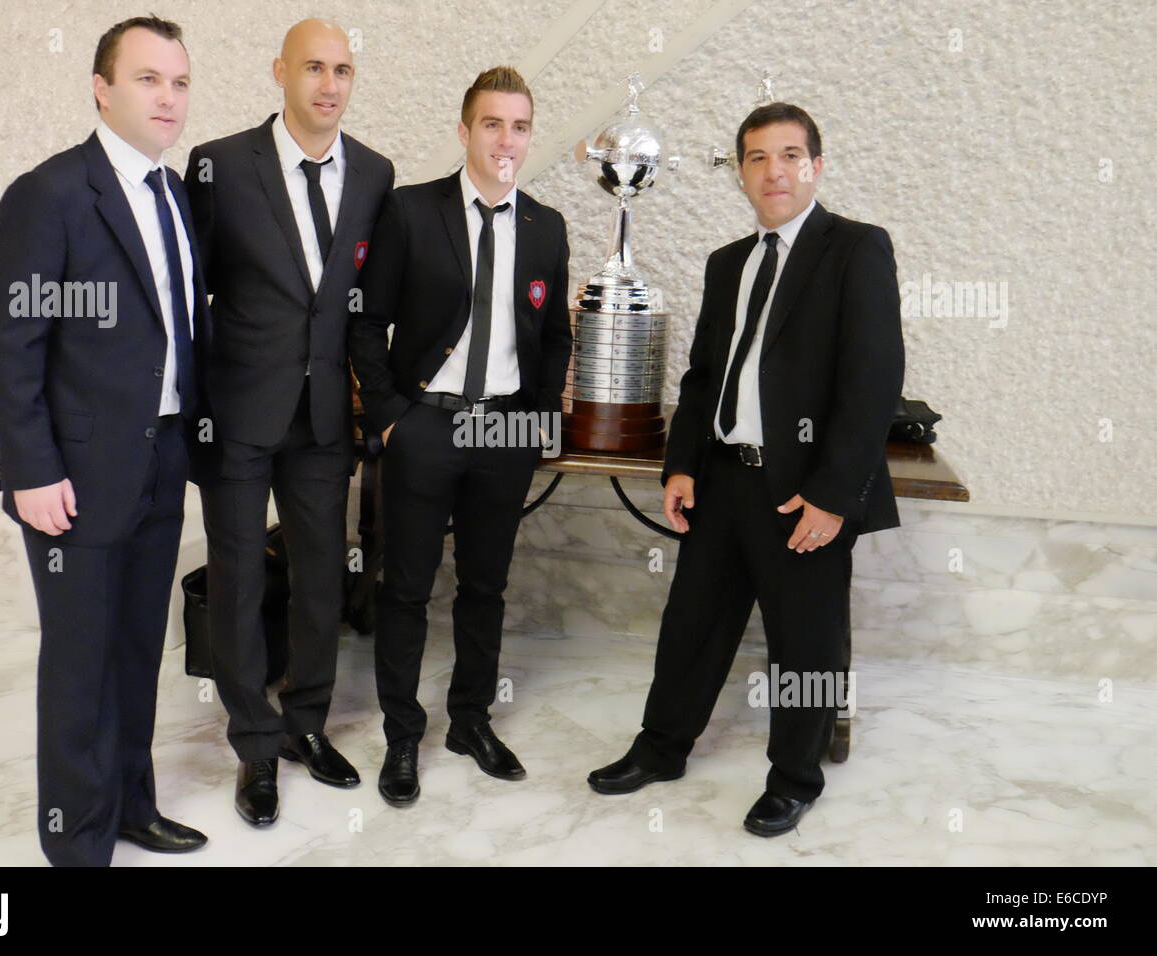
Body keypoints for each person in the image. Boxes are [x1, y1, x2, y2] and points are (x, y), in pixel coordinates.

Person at [587, 102, 905, 837]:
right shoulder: (728, 263)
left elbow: (873, 382)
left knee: (807, 641)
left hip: (804, 493)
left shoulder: (856, 250)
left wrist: (832, 496)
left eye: (790, 154)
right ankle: (661, 748)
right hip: (725, 478)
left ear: (816, 166)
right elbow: (703, 377)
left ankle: (795, 777)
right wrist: (681, 465)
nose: (774, 170)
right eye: (757, 157)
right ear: (740, 173)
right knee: (691, 624)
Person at [0, 15, 210, 865]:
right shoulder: (52, 193)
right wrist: (30, 468)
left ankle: (130, 806)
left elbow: (178, 331)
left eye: (180, 82)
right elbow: (11, 343)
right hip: (72, 478)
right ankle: (75, 840)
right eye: (149, 78)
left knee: (138, 649)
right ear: (101, 87)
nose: (168, 97)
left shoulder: (172, 191)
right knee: (80, 663)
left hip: (159, 462)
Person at [184, 19, 394, 827]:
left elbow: (366, 305)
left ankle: (308, 721)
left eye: (342, 69)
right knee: (239, 583)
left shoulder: (375, 173)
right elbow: (190, 292)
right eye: (313, 67)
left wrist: (377, 409)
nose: (329, 84)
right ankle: (256, 743)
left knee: (321, 578)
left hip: (321, 418)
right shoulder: (219, 165)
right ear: (280, 72)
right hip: (236, 414)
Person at [349, 66, 572, 807]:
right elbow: (366, 319)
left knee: (485, 587)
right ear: (464, 130)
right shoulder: (412, 212)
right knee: (406, 590)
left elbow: (557, 338)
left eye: (519, 125)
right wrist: (389, 415)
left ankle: (469, 720)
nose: (505, 139)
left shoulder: (547, 227)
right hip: (427, 429)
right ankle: (402, 736)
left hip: (504, 432)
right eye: (491, 124)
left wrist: (539, 421)